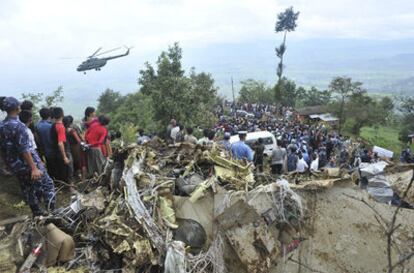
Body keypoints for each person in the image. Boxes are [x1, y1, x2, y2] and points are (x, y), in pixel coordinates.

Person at [0, 97, 55, 216]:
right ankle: (52, 212)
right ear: (17, 108)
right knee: (48, 184)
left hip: (16, 165)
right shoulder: (19, 126)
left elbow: (3, 148)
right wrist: (34, 168)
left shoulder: (2, 125)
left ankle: (37, 213)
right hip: (29, 163)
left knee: (28, 189)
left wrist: (9, 165)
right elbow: (24, 148)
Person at [50, 107, 71, 182]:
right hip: (61, 152)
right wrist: (64, 157)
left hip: (55, 152)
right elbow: (60, 143)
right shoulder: (61, 126)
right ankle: (69, 188)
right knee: (66, 171)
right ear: (62, 114)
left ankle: (62, 186)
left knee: (60, 171)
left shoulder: (53, 125)